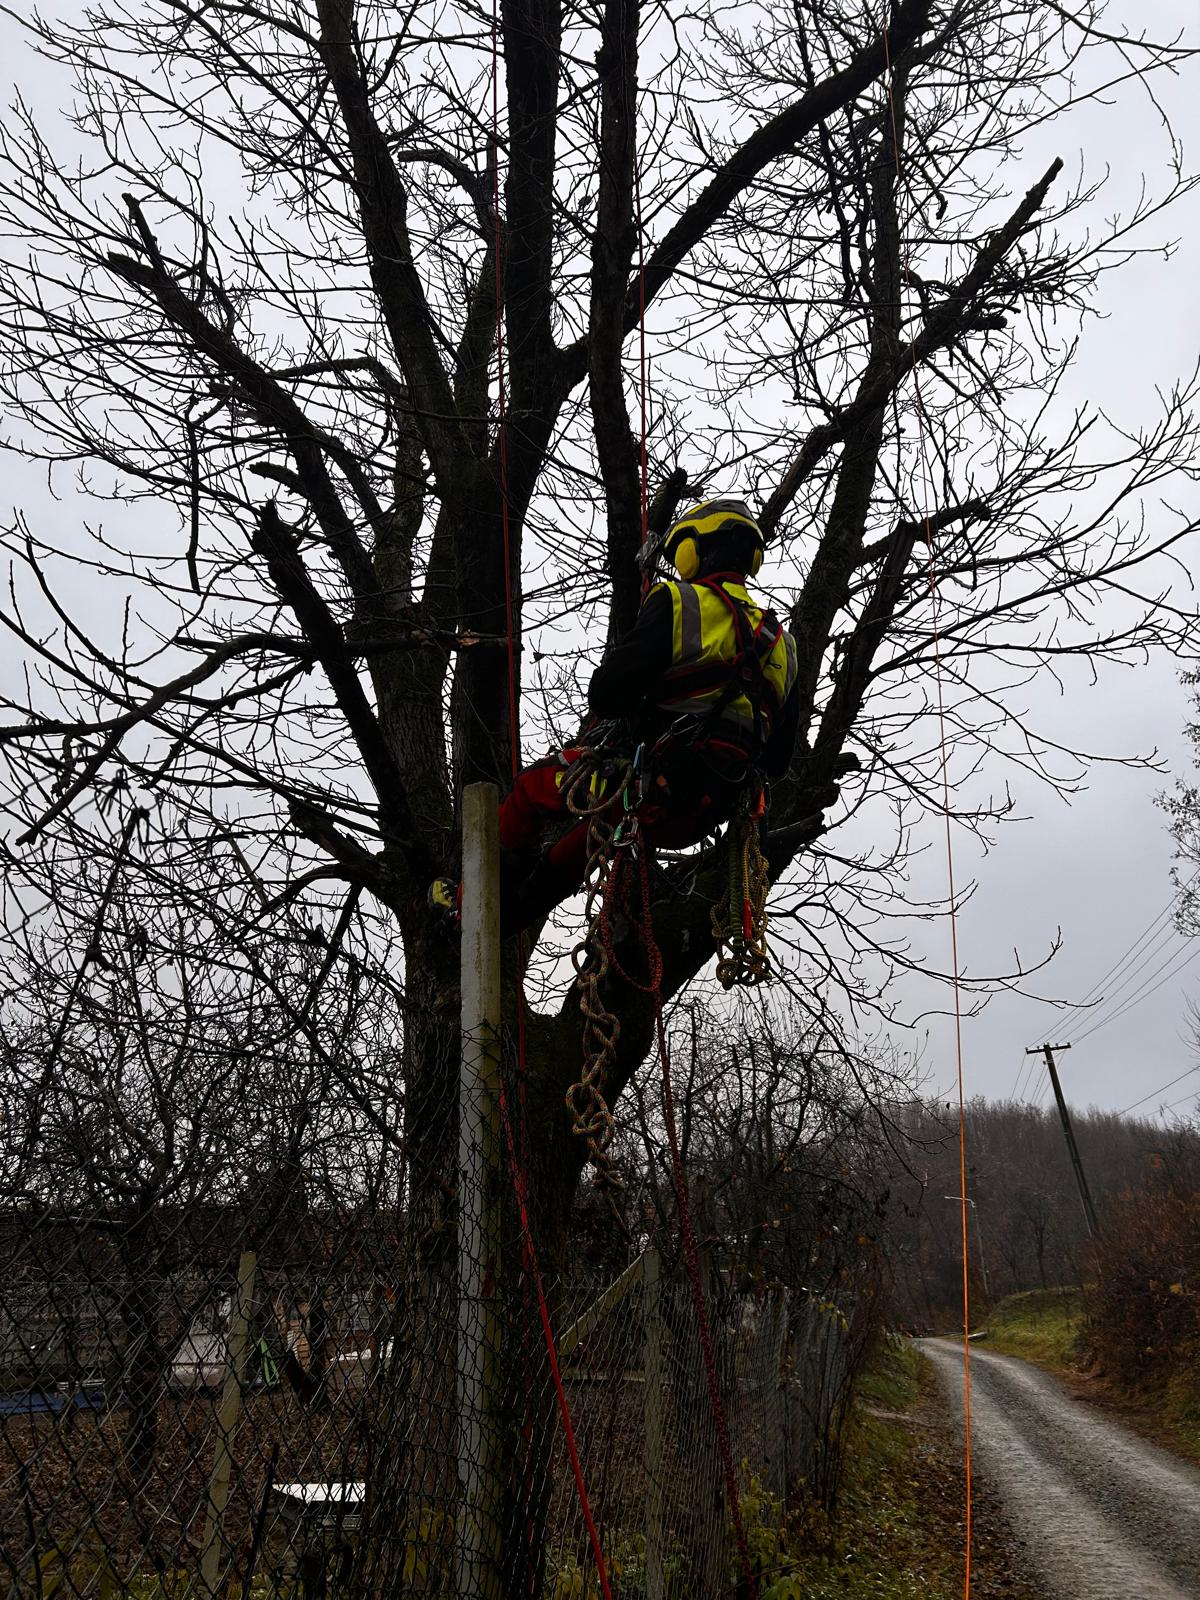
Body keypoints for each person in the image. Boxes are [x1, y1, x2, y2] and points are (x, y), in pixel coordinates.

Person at [432, 497, 800, 932]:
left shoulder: (679, 602)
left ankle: (464, 903)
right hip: (702, 812)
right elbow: (776, 760)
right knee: (577, 849)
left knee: (532, 791)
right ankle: (505, 921)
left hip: (648, 789)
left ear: (696, 549)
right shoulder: (783, 644)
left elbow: (608, 695)